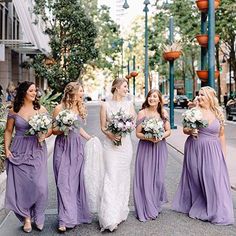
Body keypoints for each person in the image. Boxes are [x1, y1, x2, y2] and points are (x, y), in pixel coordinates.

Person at [172, 86, 234, 225]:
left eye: (203, 95)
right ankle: (197, 203)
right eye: (199, 94)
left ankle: (214, 208)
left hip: (213, 150)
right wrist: (191, 131)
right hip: (195, 147)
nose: (199, 97)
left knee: (212, 177)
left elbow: (221, 135)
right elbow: (185, 130)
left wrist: (223, 156)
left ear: (211, 97)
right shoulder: (194, 111)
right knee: (196, 177)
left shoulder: (218, 112)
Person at [4, 81, 51, 233]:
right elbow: (8, 131)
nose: (34, 93)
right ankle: (26, 218)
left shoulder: (41, 109)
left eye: (35, 91)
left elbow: (49, 128)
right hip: (19, 149)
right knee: (23, 186)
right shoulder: (14, 110)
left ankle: (38, 214)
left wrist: (43, 136)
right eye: (31, 90)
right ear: (24, 92)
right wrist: (6, 149)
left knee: (40, 186)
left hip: (36, 149)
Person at [52, 81, 92, 232]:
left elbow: (79, 129)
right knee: (63, 183)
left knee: (74, 183)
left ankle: (73, 216)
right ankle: (63, 220)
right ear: (72, 92)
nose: (82, 93)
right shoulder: (59, 108)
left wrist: (90, 138)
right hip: (62, 146)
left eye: (82, 91)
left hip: (76, 148)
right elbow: (54, 130)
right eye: (80, 91)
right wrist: (64, 128)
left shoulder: (80, 107)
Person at [99, 78, 136, 231]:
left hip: (125, 146)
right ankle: (109, 217)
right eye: (125, 86)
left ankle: (120, 211)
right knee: (111, 176)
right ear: (116, 87)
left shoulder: (129, 104)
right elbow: (102, 127)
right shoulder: (105, 105)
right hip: (110, 146)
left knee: (122, 177)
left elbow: (133, 123)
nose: (127, 89)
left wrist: (125, 128)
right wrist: (111, 135)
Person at [134, 89, 171, 222]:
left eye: (155, 96)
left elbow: (168, 131)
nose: (152, 98)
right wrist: (149, 138)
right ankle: (146, 208)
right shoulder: (142, 113)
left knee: (158, 178)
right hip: (146, 148)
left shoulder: (163, 113)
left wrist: (160, 136)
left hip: (160, 148)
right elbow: (137, 133)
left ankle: (154, 203)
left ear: (159, 100)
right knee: (146, 178)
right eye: (150, 96)